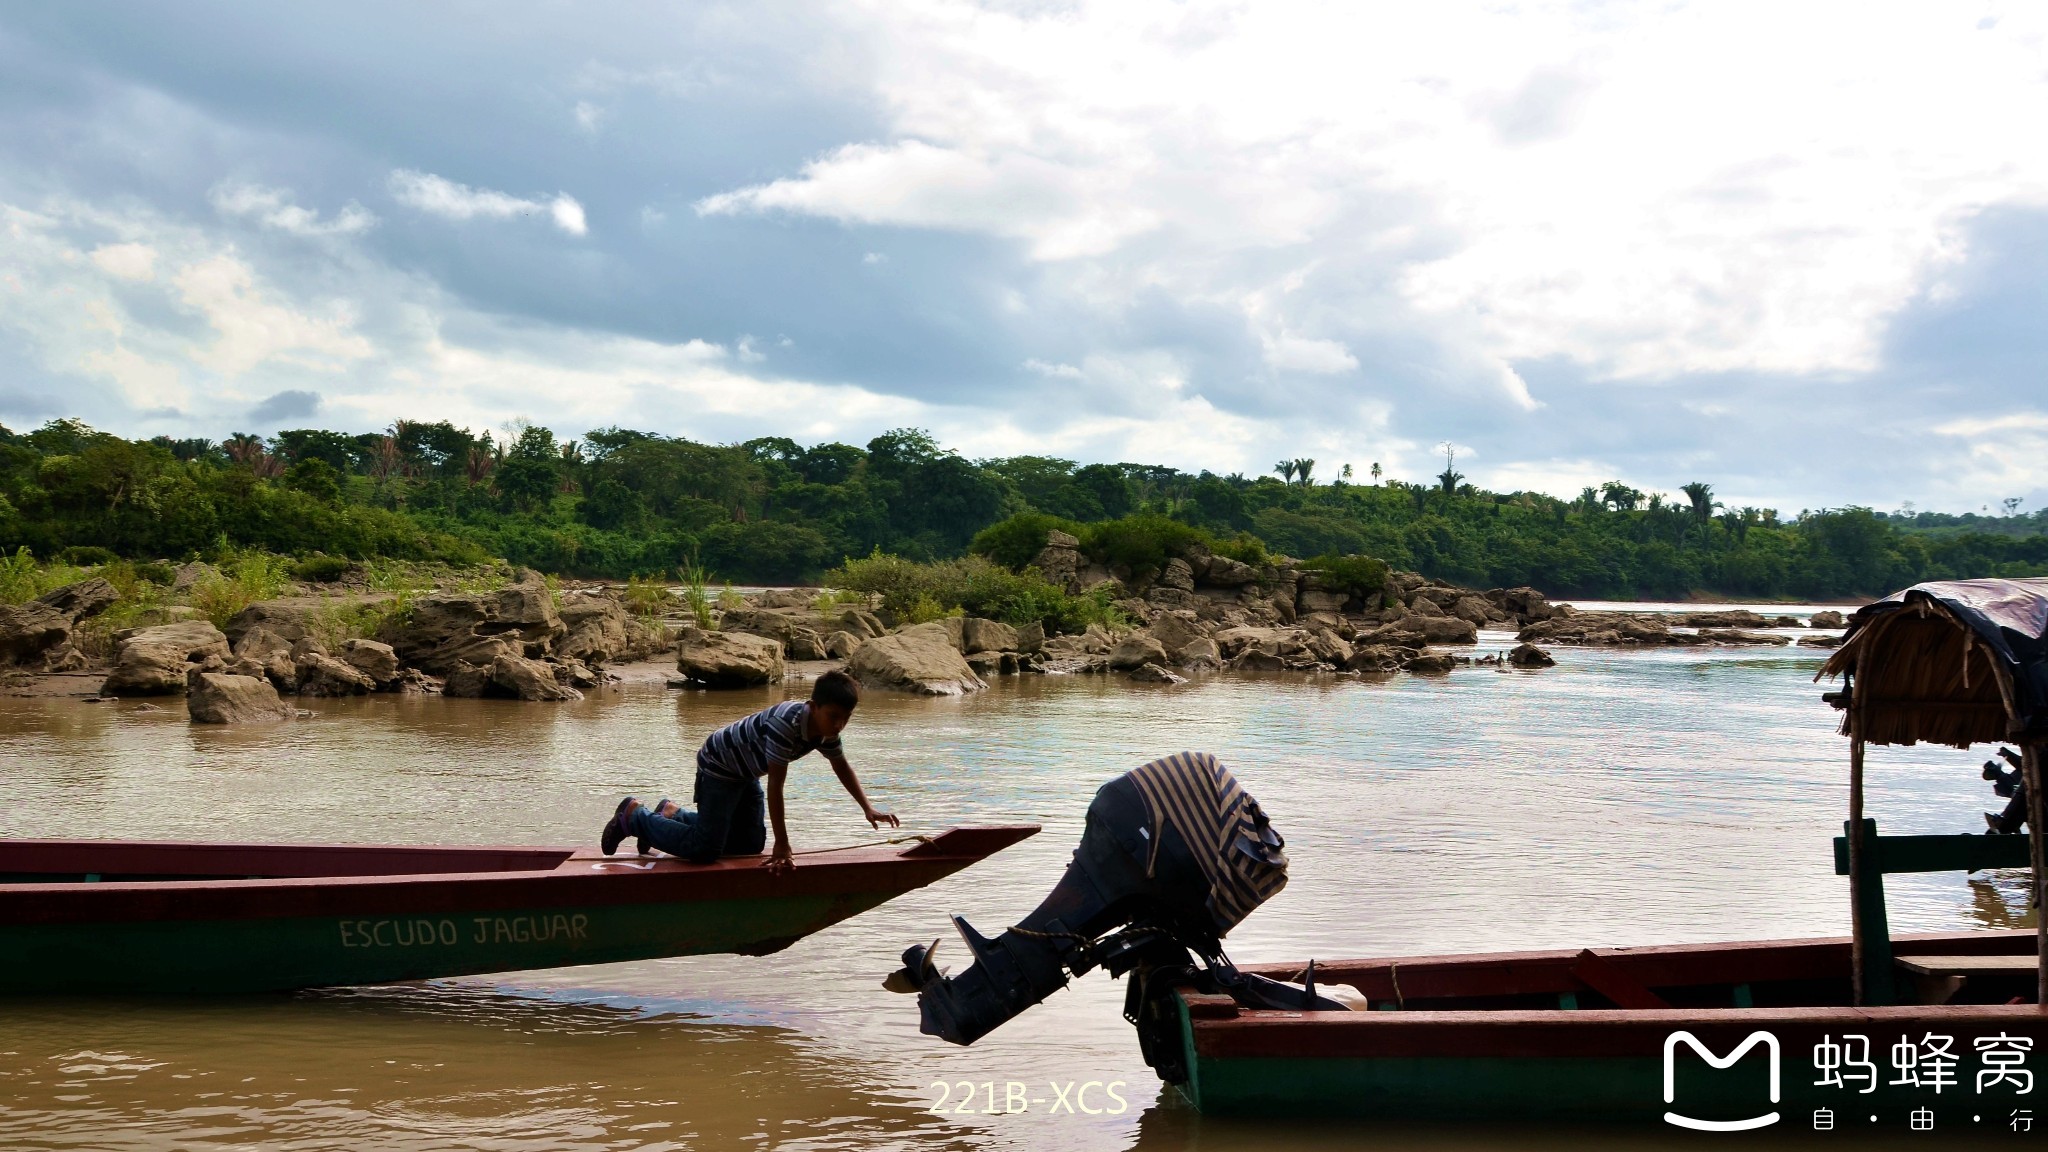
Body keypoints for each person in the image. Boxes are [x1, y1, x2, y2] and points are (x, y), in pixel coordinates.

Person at [601, 670, 897, 872]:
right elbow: (776, 789)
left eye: (845, 719)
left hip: (744, 772)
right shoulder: (787, 726)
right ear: (813, 706)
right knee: (706, 850)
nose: (838, 726)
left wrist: (867, 808)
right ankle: (634, 817)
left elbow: (841, 765)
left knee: (749, 846)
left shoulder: (826, 732)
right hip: (718, 765)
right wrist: (782, 844)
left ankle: (671, 814)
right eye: (833, 717)